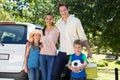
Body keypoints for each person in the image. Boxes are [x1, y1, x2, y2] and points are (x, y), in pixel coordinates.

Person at [53, 2, 92, 80]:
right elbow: (57, 36)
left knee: (69, 76)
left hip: (73, 53)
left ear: (68, 9)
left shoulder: (76, 21)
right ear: (59, 12)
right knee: (55, 74)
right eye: (61, 11)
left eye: (64, 10)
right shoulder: (58, 23)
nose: (63, 12)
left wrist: (89, 50)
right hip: (62, 52)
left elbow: (82, 37)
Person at [39, 13, 59, 80]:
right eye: (47, 19)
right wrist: (39, 44)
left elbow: (61, 41)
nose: (48, 20)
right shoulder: (42, 30)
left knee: (50, 76)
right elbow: (39, 41)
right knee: (43, 76)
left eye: (50, 19)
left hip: (52, 55)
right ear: (45, 20)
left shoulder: (56, 30)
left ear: (53, 20)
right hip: (42, 55)